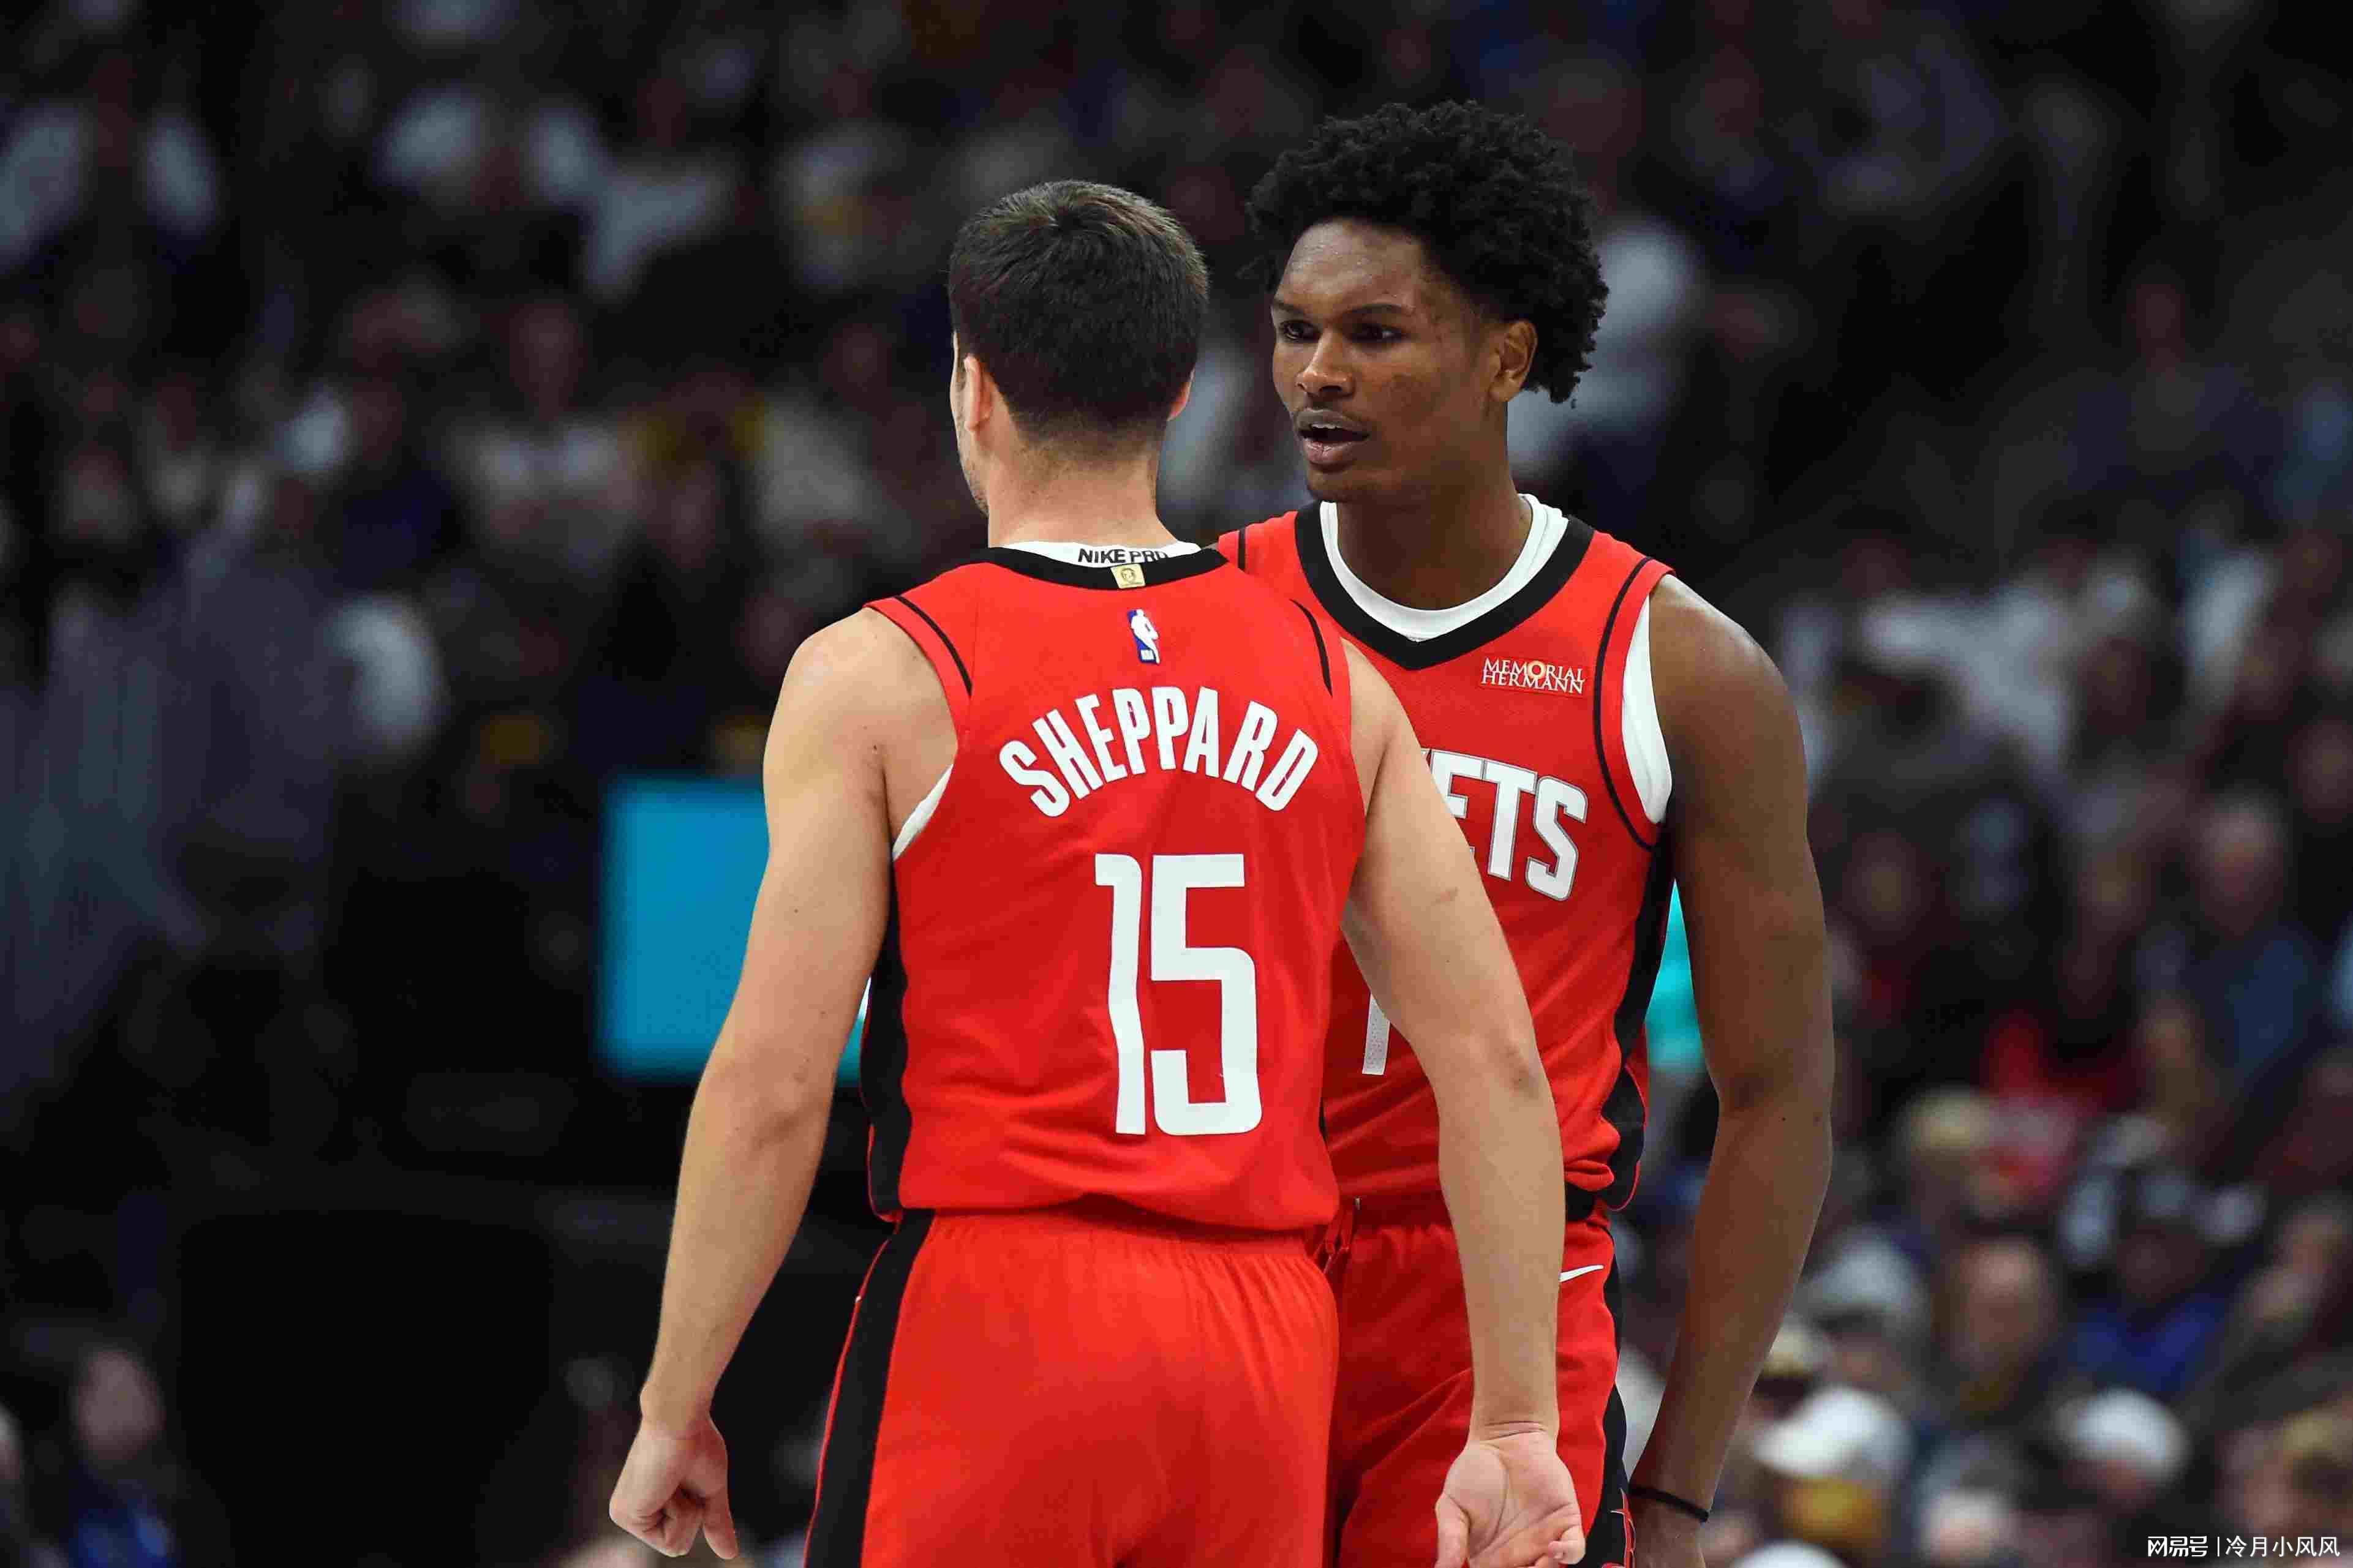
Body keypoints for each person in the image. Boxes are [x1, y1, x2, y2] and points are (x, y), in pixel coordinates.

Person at [607, 180, 1586, 1568]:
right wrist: (1517, 1421)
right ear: (1180, 391)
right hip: (1260, 1342)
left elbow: (773, 1085)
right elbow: (1495, 1065)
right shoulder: (1336, 679)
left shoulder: (880, 672)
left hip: (1003, 1307)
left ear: (973, 388)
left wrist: (674, 1400)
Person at [1224, 103, 1835, 1568]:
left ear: (1507, 358)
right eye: (1295, 331)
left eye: (1374, 333)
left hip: (1495, 1307)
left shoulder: (1679, 667)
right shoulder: (1198, 619)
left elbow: (1777, 1099)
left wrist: (1675, 1490)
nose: (1317, 373)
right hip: (1225, 1269)